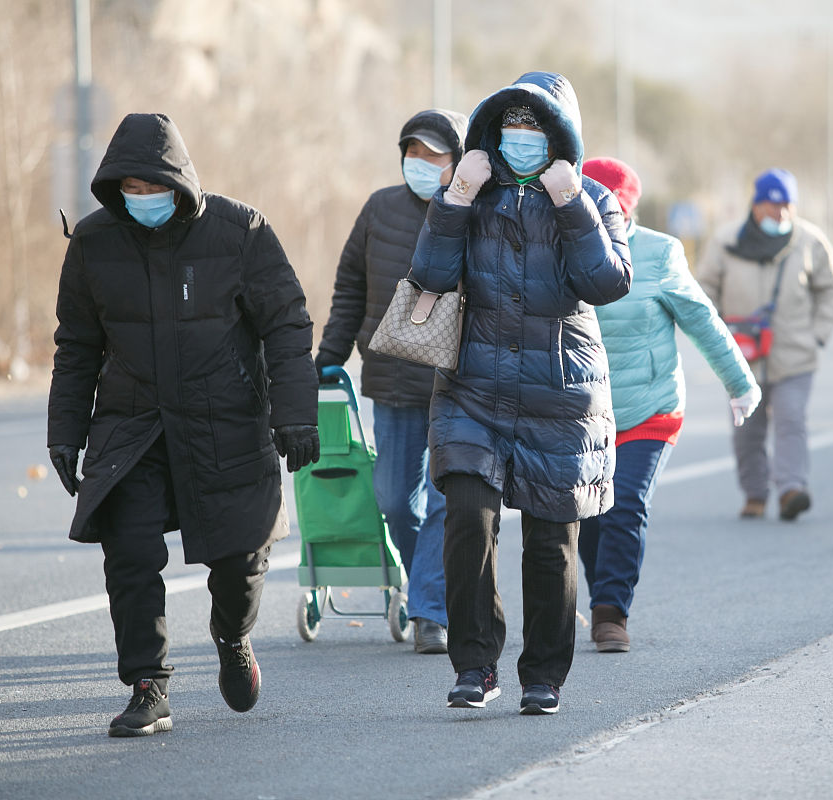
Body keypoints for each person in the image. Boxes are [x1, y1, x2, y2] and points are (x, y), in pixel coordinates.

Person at [47, 113, 319, 737]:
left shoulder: (240, 231)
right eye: (130, 191)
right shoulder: (92, 244)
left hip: (224, 421)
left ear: (180, 182)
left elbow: (286, 322)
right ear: (114, 189)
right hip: (132, 426)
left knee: (240, 560)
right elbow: (77, 345)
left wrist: (295, 413)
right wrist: (65, 429)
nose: (142, 200)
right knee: (131, 555)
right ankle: (148, 685)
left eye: (154, 187)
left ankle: (232, 635)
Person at [411, 72, 631, 715]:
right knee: (468, 522)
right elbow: (428, 274)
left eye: (536, 129)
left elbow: (606, 282)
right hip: (471, 388)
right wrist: (456, 194)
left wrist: (571, 206)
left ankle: (544, 674)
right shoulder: (471, 190)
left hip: (557, 394)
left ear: (560, 136)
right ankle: (475, 665)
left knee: (548, 543)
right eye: (512, 128)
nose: (522, 140)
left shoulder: (591, 195)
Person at [577, 157, 760, 653]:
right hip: (583, 411)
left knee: (626, 503)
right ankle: (601, 594)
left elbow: (701, 319)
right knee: (588, 515)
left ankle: (610, 612)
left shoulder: (658, 254)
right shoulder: (560, 246)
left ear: (624, 209)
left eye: (603, 203)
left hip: (651, 407)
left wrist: (740, 384)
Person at [314, 109, 468, 655]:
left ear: (459, 162)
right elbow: (349, 288)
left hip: (457, 385)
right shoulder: (379, 208)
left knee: (447, 496)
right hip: (392, 379)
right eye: (413, 153)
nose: (421, 165)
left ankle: (431, 609)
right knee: (396, 501)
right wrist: (328, 356)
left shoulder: (477, 212)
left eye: (435, 156)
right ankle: (426, 585)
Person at [697, 168, 833, 521]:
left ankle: (791, 488)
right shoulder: (726, 241)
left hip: (794, 355)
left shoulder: (809, 240)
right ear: (756, 206)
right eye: (773, 206)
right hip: (741, 357)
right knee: (747, 431)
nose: (781, 214)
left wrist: (818, 334)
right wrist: (718, 335)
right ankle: (755, 494)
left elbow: (829, 290)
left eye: (787, 206)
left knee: (792, 419)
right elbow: (702, 292)